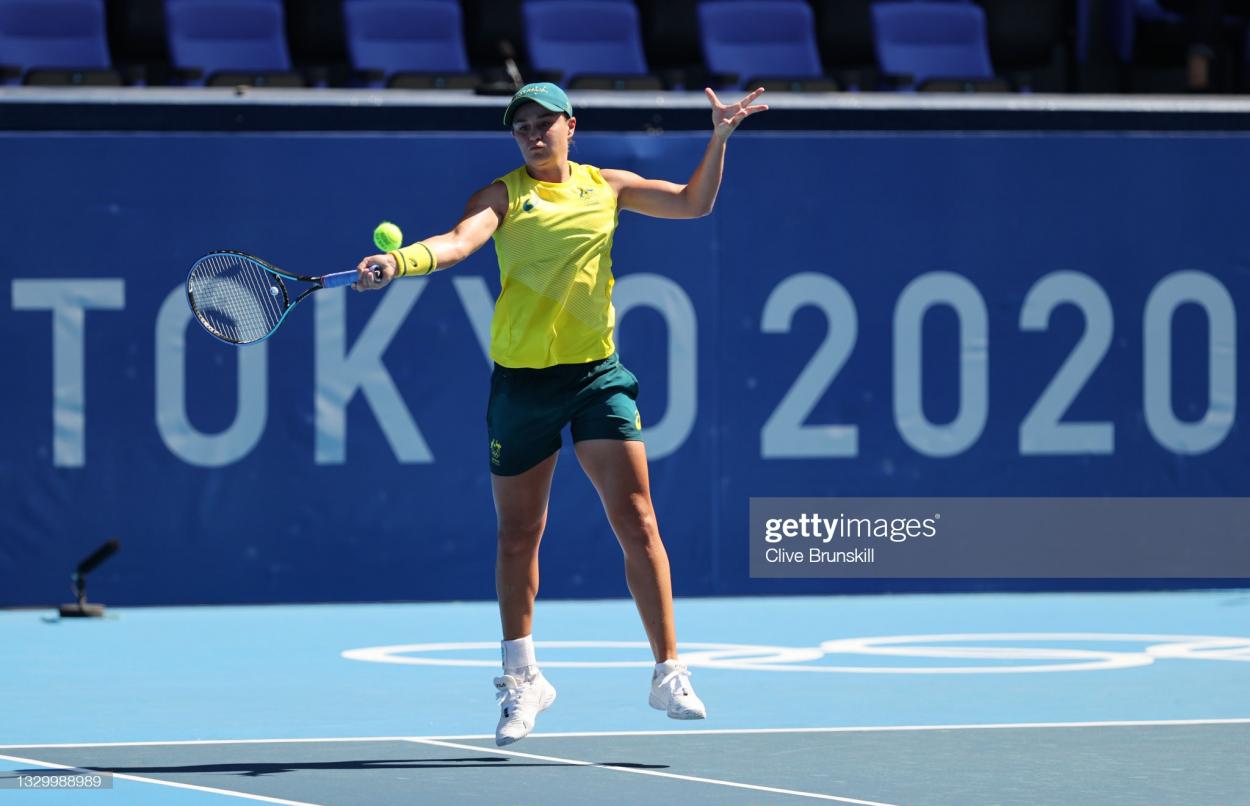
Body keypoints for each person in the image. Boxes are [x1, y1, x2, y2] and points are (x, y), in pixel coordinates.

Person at [353, 82, 767, 746]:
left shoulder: (609, 186)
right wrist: (400, 262)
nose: (533, 134)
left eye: (545, 123)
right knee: (519, 536)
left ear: (572, 126)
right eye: (521, 127)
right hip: (522, 387)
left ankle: (669, 670)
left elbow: (693, 204)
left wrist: (718, 139)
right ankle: (523, 680)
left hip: (596, 376)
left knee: (637, 518)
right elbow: (459, 243)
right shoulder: (501, 196)